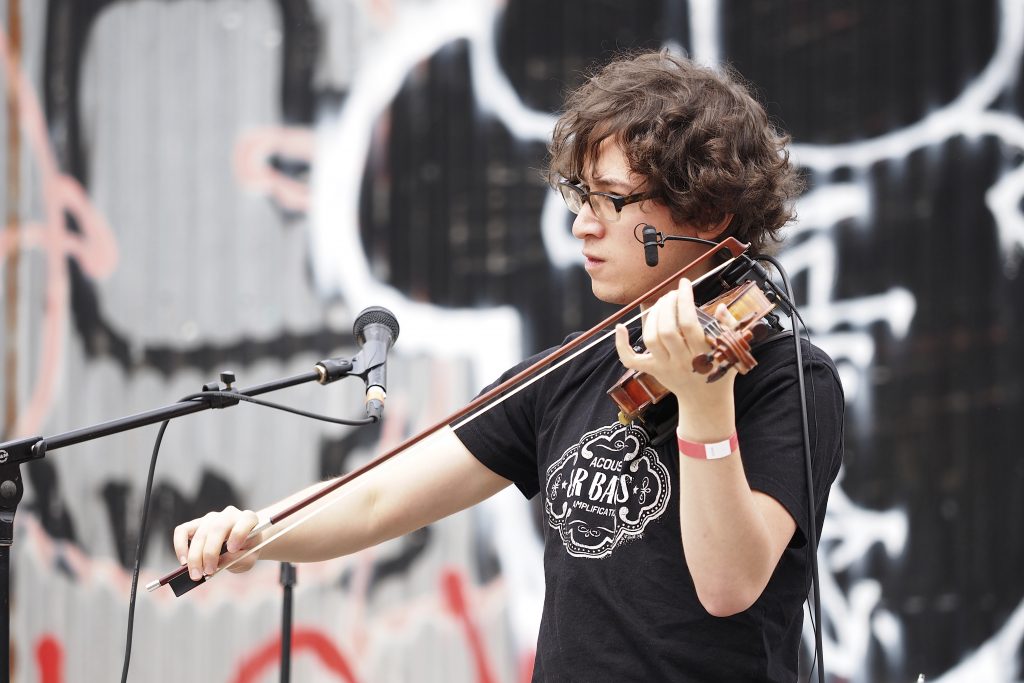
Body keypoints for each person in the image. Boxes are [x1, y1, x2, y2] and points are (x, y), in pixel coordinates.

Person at [173, 50, 844, 682]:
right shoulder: (569, 371)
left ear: (707, 211)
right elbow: (378, 495)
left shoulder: (789, 379)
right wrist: (258, 531)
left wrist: (702, 404)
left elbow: (729, 585)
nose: (582, 223)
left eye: (611, 200)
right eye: (580, 195)